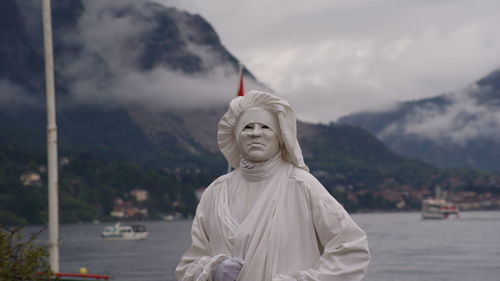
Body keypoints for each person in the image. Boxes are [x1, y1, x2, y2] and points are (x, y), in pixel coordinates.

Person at [176, 91, 370, 281]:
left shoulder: (302, 185)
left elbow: (351, 251)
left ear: (280, 137)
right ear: (235, 136)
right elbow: (188, 266)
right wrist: (213, 271)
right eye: (247, 127)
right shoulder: (216, 193)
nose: (256, 134)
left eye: (266, 127)